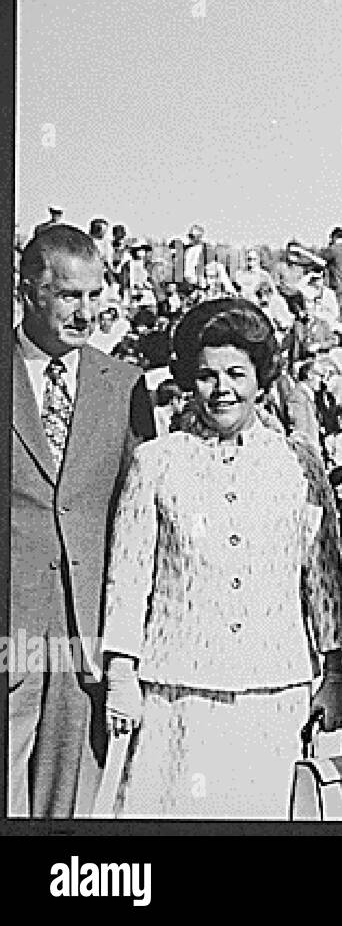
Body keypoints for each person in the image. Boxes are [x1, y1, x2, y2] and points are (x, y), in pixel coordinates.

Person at [98, 298, 342, 818]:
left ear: (261, 377)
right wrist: (122, 672)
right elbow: (129, 574)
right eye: (207, 376)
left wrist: (335, 674)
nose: (222, 389)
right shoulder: (157, 462)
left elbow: (323, 577)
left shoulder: (296, 463)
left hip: (273, 691)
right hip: (178, 693)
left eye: (236, 373)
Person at [9, 226, 156, 818]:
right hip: (10, 631)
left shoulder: (123, 385)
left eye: (96, 295)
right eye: (70, 296)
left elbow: (138, 515)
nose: (87, 312)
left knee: (68, 802)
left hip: (86, 634)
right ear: (27, 292)